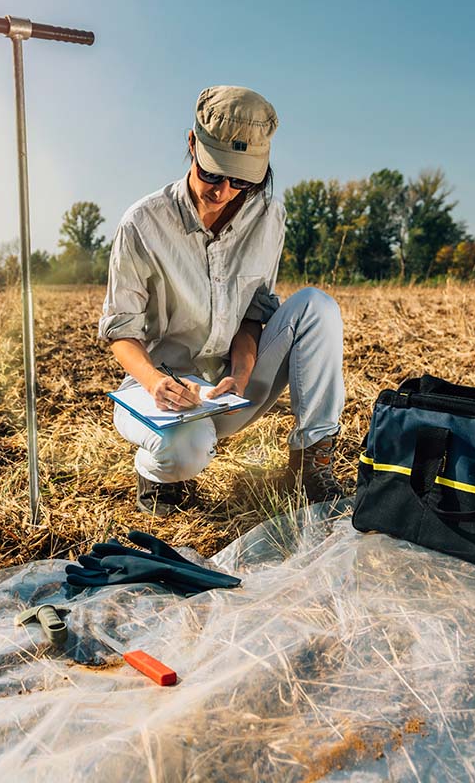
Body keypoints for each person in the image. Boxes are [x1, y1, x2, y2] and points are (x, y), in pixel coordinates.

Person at [99, 85, 346, 515]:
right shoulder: (141, 224)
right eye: (212, 173)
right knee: (186, 454)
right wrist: (158, 384)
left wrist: (242, 374)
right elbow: (121, 332)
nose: (223, 191)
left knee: (316, 307)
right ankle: (157, 472)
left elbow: (253, 315)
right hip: (161, 394)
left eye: (241, 180)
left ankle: (312, 462)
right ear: (191, 144)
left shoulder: (269, 216)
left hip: (231, 389)